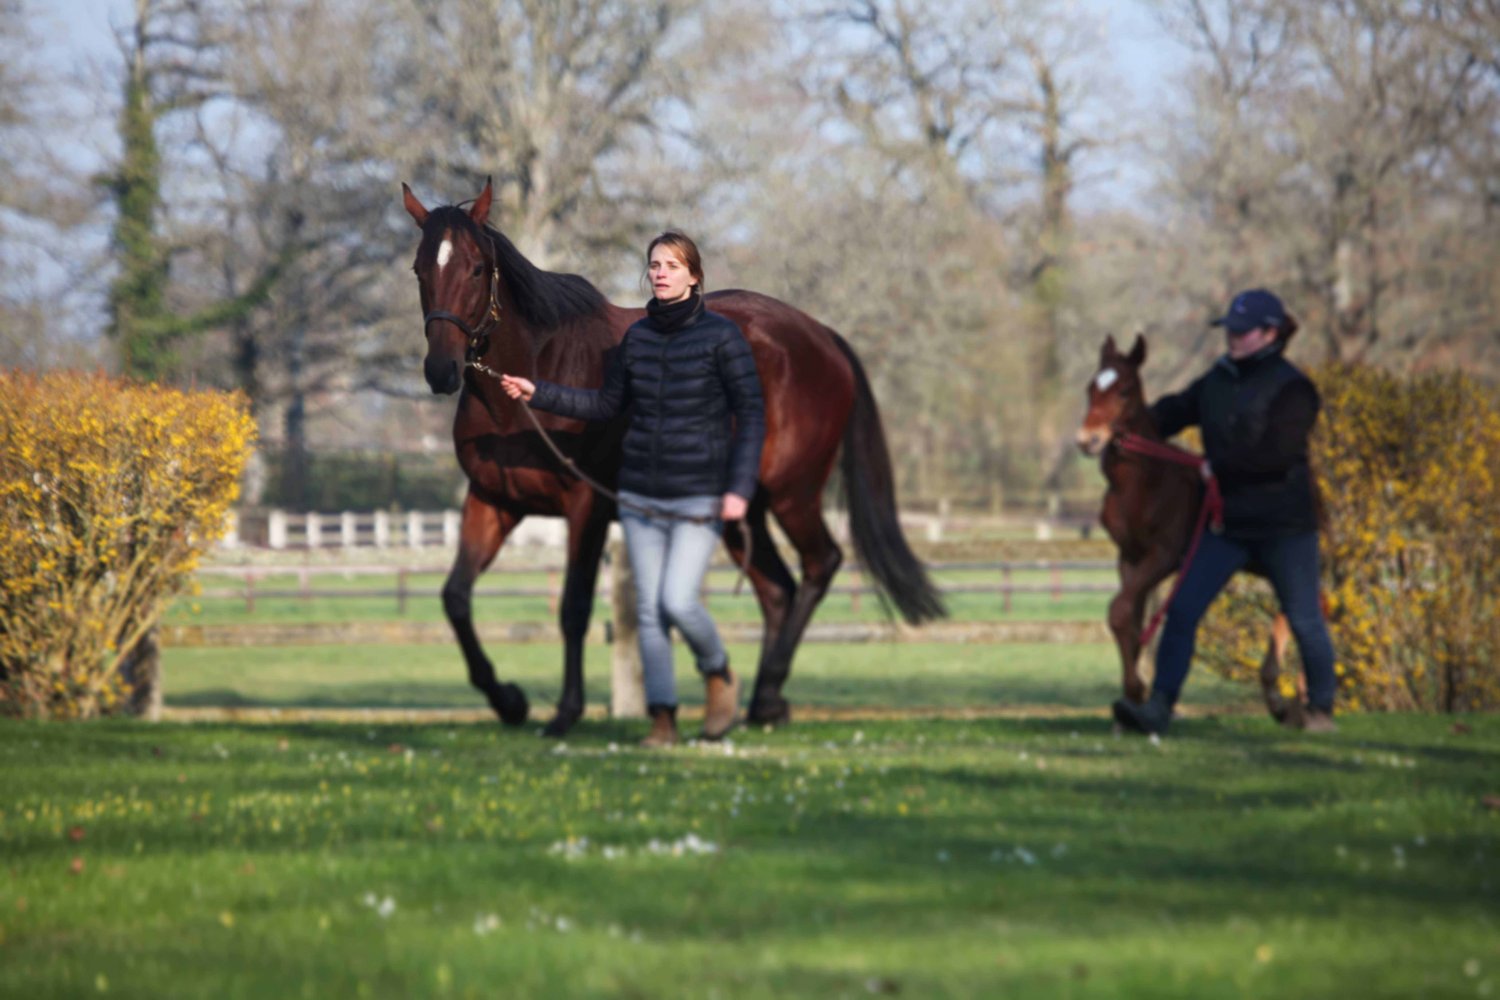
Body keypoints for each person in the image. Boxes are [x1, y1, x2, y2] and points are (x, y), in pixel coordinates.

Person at [499, 231, 765, 747]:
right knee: (648, 613)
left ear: (694, 276)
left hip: (699, 495)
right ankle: (663, 719)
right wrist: (540, 393)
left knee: (678, 602)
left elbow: (751, 414)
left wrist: (739, 487)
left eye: (672, 265)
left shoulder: (723, 338)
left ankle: (718, 670)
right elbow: (605, 405)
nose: (660, 273)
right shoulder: (637, 339)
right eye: (654, 265)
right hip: (641, 495)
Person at [1113, 288, 1338, 736]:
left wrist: (1220, 467)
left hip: (1285, 529)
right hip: (1226, 528)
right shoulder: (1218, 379)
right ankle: (1158, 709)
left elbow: (1277, 455)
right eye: (1229, 329)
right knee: (1182, 612)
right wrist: (1125, 423)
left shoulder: (1295, 389)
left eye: (1242, 331)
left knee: (1305, 619)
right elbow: (1175, 411)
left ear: (1270, 333)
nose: (1232, 337)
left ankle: (1319, 713)